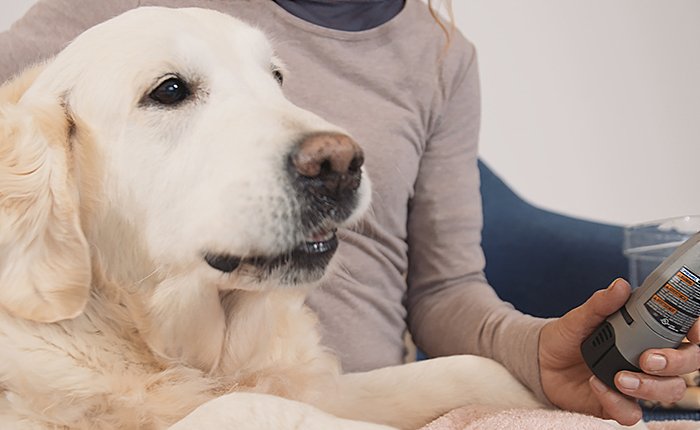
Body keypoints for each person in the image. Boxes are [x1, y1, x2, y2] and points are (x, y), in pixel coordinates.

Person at [1, 0, 698, 425]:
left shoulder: (439, 56)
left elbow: (446, 289)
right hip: (113, 363)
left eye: (274, 79)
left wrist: (535, 355)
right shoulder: (120, 11)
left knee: (484, 384)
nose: (318, 141)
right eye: (175, 90)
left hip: (322, 383)